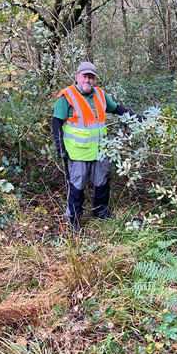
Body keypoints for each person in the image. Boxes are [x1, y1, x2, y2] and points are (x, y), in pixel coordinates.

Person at [52, 61, 140, 232]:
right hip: (77, 152)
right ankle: (74, 219)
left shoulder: (100, 94)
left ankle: (101, 212)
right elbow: (56, 122)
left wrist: (137, 118)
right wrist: (60, 147)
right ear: (77, 76)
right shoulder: (67, 96)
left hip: (101, 150)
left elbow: (117, 109)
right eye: (85, 76)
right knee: (77, 186)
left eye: (91, 77)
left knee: (102, 182)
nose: (88, 80)